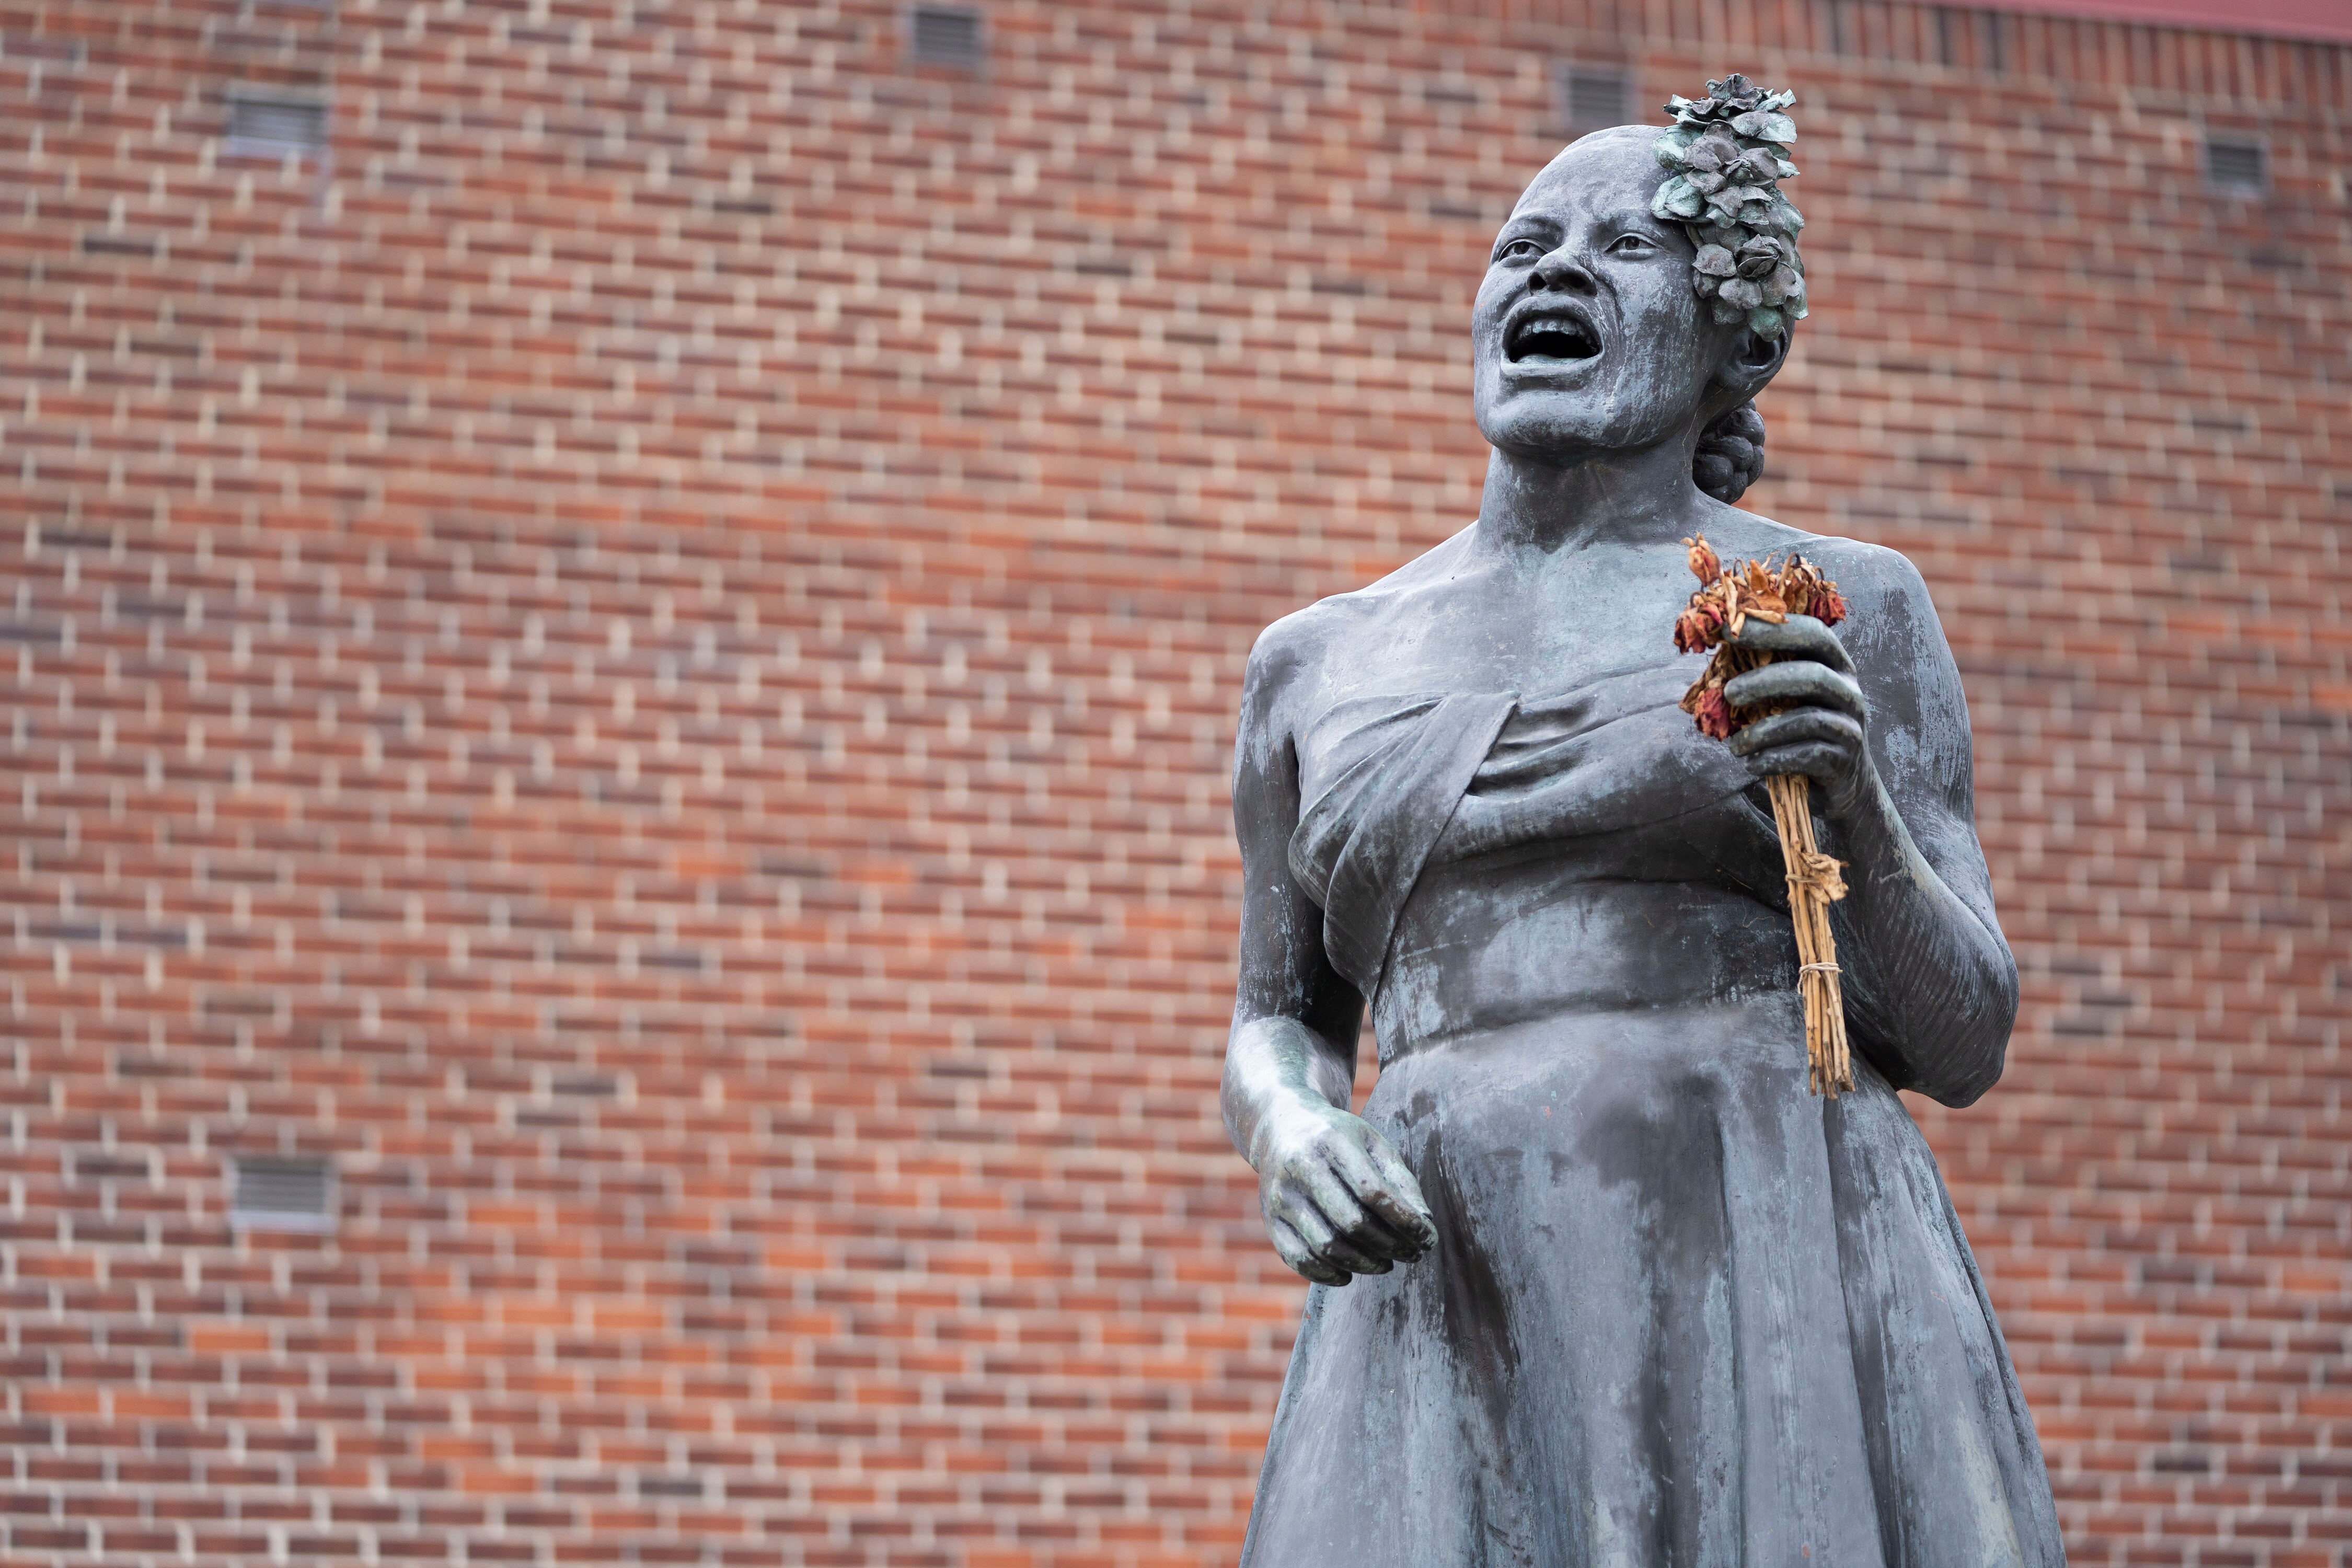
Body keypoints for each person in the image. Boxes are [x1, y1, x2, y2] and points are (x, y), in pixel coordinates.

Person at [1221, 112, 2066, 1566]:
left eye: (1626, 246)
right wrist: (1293, 1127)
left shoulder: (1835, 601)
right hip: (1451, 1255)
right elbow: (1278, 1019)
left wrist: (1850, 796)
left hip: (1767, 1222)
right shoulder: (1317, 659)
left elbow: (1962, 1036)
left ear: (1729, 344)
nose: (1557, 272)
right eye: (1523, 248)